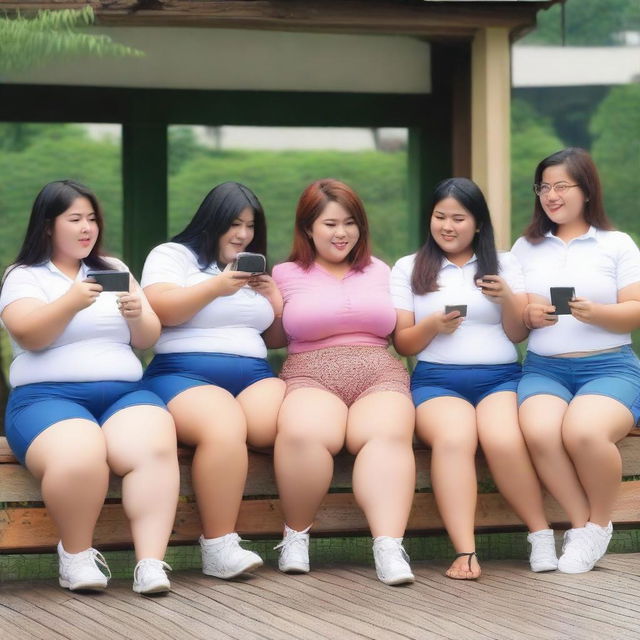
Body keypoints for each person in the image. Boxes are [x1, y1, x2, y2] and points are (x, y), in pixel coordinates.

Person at [0, 180, 179, 594]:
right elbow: (28, 334)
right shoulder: (23, 276)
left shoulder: (113, 268)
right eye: (75, 219)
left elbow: (147, 338)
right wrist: (71, 300)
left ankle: (150, 564)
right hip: (47, 398)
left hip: (124, 393)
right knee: (80, 455)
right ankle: (76, 556)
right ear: (48, 226)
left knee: (152, 447)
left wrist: (137, 314)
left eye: (92, 219)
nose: (87, 228)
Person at [391, 177, 556, 580]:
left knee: (502, 438)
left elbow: (518, 334)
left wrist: (507, 301)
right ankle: (465, 552)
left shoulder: (504, 263)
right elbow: (404, 343)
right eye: (439, 216)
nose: (447, 226)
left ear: (478, 223)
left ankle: (541, 536)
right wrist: (432, 325)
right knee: (454, 439)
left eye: (458, 218)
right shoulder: (409, 267)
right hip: (436, 382)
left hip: (500, 377)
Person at [271, 178, 416, 586]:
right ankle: (296, 534)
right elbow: (274, 338)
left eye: (350, 223)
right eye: (330, 224)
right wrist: (268, 299)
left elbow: (400, 332)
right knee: (303, 433)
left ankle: (388, 545)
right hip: (310, 372)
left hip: (378, 371)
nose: (341, 233)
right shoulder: (284, 274)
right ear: (308, 228)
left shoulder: (380, 271)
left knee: (387, 435)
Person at [141, 182, 285, 579]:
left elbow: (275, 340)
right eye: (234, 224)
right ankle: (219, 546)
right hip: (182, 373)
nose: (243, 235)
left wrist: (273, 297)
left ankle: (296, 539)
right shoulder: (173, 256)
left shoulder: (251, 270)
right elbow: (162, 310)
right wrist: (217, 286)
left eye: (250, 226)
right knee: (225, 427)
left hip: (254, 374)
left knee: (296, 421)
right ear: (212, 222)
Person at [512, 148, 640, 573]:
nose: (551, 195)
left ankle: (600, 524)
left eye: (561, 186)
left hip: (609, 366)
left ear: (586, 190)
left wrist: (598, 313)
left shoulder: (616, 243)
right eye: (544, 186)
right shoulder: (525, 247)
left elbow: (636, 309)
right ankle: (582, 524)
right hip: (545, 368)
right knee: (540, 432)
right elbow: (521, 317)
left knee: (583, 431)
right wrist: (529, 314)